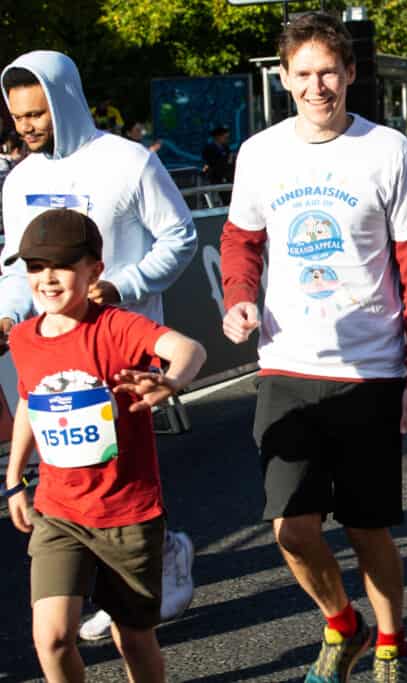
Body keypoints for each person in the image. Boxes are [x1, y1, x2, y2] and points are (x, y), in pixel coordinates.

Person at [219, 13, 407, 682]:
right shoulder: (260, 152)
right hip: (287, 363)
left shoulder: (388, 150)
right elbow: (241, 239)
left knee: (368, 527)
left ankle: (390, 642)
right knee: (292, 526)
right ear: (283, 79)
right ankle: (341, 620)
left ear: (349, 73)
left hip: (371, 369)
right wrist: (239, 294)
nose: (318, 85)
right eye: (304, 73)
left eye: (329, 71)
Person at [1, 50, 200, 641]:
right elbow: (19, 268)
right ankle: (103, 578)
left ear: (65, 100)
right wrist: (7, 317)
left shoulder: (126, 161)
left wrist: (121, 287)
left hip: (120, 339)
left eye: (37, 113)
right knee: (69, 462)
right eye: (17, 117)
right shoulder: (23, 177)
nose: (27, 127)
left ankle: (156, 558)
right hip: (51, 342)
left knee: (115, 465)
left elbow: (181, 236)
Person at [3, 209, 206, 683]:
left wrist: (171, 380)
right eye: (35, 267)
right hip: (59, 511)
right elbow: (32, 404)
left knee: (132, 638)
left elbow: (189, 348)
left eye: (61, 266)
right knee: (52, 639)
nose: (46, 280)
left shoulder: (117, 327)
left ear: (94, 270)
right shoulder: (24, 338)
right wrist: (15, 478)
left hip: (127, 512)